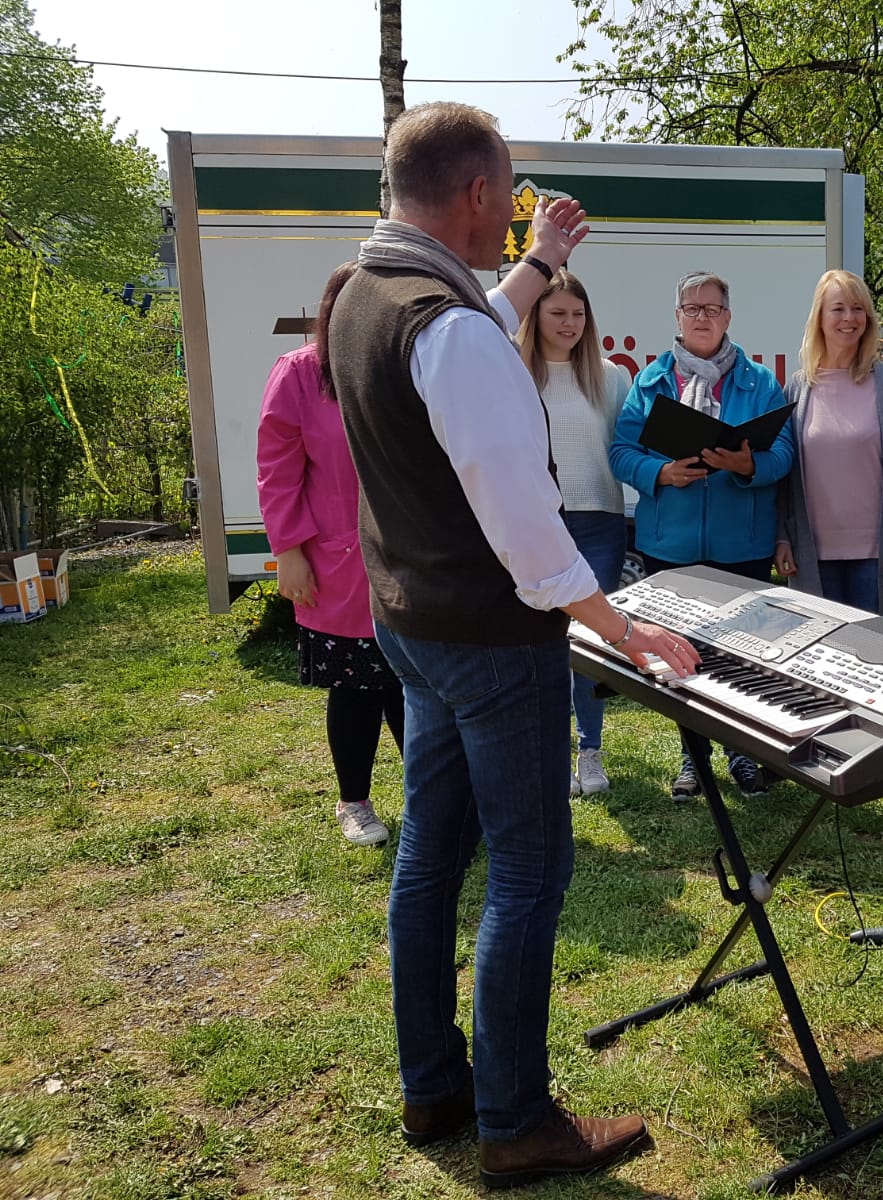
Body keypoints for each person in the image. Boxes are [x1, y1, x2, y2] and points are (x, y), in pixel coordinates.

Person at [327, 101, 697, 1188]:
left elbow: (468, 336)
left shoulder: (367, 294)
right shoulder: (444, 326)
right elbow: (526, 526)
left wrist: (537, 264)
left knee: (430, 860)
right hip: (490, 640)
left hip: (412, 627)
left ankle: (433, 1085)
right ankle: (517, 1120)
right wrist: (620, 624)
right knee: (529, 875)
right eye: (509, 204)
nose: (510, 224)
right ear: (477, 193)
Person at [609, 270, 795, 800]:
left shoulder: (760, 383)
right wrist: (661, 473)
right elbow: (621, 452)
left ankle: (742, 752)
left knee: (741, 656)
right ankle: (693, 757)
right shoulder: (650, 383)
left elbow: (785, 454)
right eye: (691, 308)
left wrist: (748, 465)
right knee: (680, 655)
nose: (702, 317)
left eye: (712, 308)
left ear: (728, 316)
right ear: (677, 317)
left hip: (742, 545)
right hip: (670, 546)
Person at [256, 262, 403, 848]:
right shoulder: (299, 373)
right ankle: (354, 802)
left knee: (414, 686)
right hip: (338, 558)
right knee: (357, 687)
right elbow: (277, 470)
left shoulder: (401, 368)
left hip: (409, 559)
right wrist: (288, 551)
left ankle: (431, 798)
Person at [515, 270, 632, 797]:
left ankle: (591, 750)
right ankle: (551, 752)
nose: (569, 323)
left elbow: (626, 448)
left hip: (599, 521)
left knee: (588, 639)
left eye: (578, 314)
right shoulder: (514, 374)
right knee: (542, 644)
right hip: (537, 523)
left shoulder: (610, 378)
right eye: (557, 312)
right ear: (534, 315)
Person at [774, 269, 883, 626]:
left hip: (878, 555)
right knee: (822, 650)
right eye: (838, 309)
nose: (849, 318)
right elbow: (784, 477)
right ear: (820, 318)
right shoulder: (797, 388)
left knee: (879, 649)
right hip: (814, 555)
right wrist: (782, 537)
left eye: (858, 309)